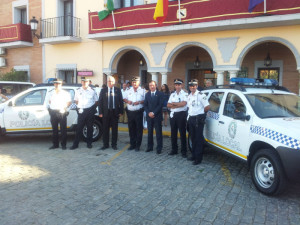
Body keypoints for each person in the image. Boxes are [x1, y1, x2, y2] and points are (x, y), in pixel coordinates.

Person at [70, 78, 98, 150]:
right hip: (81, 111)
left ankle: (89, 143)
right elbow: (76, 100)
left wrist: (92, 109)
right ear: (81, 82)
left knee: (89, 127)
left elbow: (96, 101)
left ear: (88, 82)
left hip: (89, 111)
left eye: (86, 81)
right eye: (83, 81)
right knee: (79, 128)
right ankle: (76, 144)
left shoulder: (92, 91)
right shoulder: (78, 90)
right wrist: (79, 108)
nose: (84, 83)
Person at [187, 79, 210, 165]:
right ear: (189, 87)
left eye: (194, 86)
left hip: (198, 119)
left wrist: (201, 115)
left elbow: (207, 106)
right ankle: (193, 155)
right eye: (191, 86)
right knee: (192, 138)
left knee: (198, 139)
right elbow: (190, 108)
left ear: (196, 86)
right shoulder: (189, 96)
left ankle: (198, 158)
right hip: (191, 118)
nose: (192, 87)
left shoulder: (201, 95)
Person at [98, 76, 123, 150]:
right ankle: (105, 144)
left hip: (115, 113)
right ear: (107, 82)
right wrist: (100, 112)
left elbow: (120, 101)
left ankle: (114, 144)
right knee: (105, 129)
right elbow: (100, 102)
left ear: (114, 82)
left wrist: (121, 111)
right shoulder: (103, 90)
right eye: (109, 81)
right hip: (106, 113)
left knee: (115, 130)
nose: (110, 82)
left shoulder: (118, 90)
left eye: (112, 81)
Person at [167, 79, 188, 158]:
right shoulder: (172, 94)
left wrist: (174, 104)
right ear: (174, 85)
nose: (177, 86)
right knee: (173, 133)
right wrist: (177, 105)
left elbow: (183, 104)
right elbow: (168, 105)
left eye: (179, 85)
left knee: (182, 133)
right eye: (176, 85)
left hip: (181, 115)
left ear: (181, 85)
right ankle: (174, 149)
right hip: (173, 115)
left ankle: (184, 151)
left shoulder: (185, 94)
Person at [48, 79, 71, 150]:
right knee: (54, 129)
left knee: (63, 129)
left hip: (61, 112)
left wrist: (65, 108)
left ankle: (63, 145)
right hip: (53, 111)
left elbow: (69, 102)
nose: (57, 85)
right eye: (55, 84)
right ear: (54, 84)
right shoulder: (50, 92)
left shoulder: (65, 93)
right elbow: (48, 101)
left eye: (58, 84)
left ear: (61, 85)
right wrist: (50, 110)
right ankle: (55, 144)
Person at [123, 77, 145, 151]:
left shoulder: (142, 91)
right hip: (130, 113)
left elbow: (145, 100)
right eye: (133, 82)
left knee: (139, 129)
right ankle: (132, 144)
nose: (134, 83)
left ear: (139, 83)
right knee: (131, 129)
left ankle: (138, 145)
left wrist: (139, 102)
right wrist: (127, 101)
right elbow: (124, 98)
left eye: (136, 82)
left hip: (138, 112)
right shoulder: (128, 90)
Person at [144, 80, 164, 154]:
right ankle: (150, 147)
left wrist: (153, 112)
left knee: (158, 133)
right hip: (149, 117)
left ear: (156, 86)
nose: (151, 87)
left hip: (157, 116)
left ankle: (159, 148)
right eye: (150, 85)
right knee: (150, 133)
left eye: (153, 85)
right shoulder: (147, 94)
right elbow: (145, 105)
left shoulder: (160, 94)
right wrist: (148, 112)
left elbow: (160, 105)